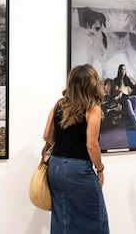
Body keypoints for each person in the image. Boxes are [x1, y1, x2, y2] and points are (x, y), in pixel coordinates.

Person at [43, 64, 109, 234]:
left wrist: (64, 143)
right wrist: (100, 169)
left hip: (55, 167)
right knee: (96, 218)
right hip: (78, 169)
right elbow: (91, 145)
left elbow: (47, 136)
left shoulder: (59, 105)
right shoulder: (93, 108)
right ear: (93, 84)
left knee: (62, 218)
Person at [113, 64, 136, 131]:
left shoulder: (127, 79)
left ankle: (134, 119)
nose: (123, 71)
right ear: (119, 70)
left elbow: (134, 87)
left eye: (124, 69)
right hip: (120, 97)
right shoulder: (116, 80)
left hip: (126, 96)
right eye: (122, 69)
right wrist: (116, 89)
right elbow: (114, 91)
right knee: (128, 101)